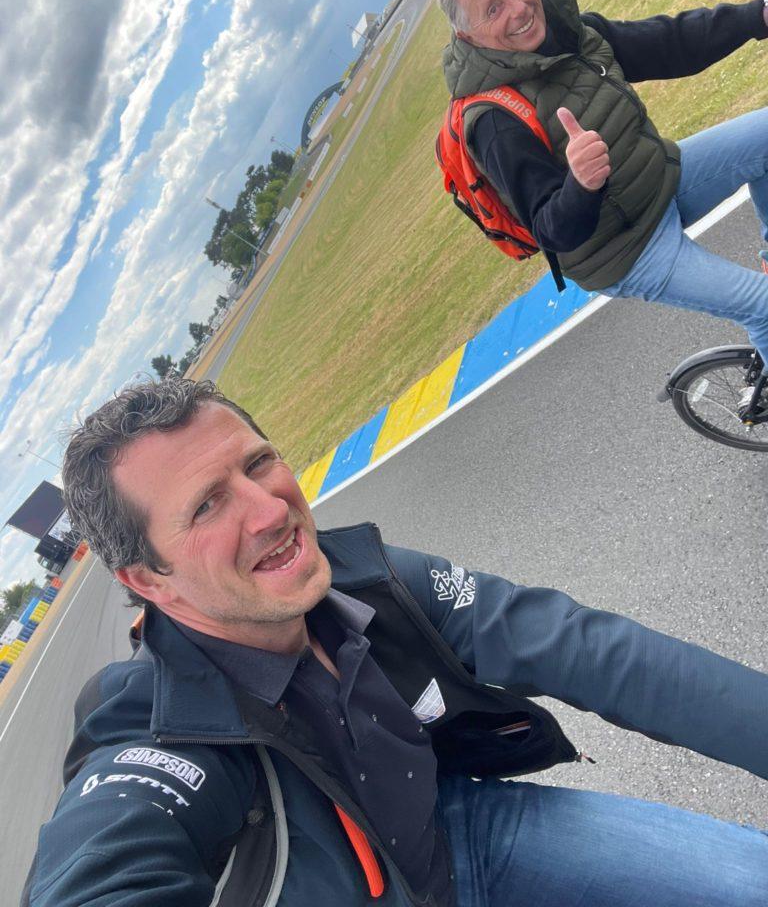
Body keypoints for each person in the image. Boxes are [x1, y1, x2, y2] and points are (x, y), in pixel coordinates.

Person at [23, 378, 768, 906]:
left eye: (257, 463)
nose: (271, 511)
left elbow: (587, 649)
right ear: (149, 579)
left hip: (462, 835)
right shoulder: (155, 730)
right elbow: (102, 869)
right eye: (208, 505)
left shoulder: (369, 581)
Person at [436, 0, 768, 366]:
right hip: (623, 249)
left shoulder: (572, 32)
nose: (519, 9)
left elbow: (668, 44)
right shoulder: (494, 121)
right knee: (763, 306)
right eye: (493, 9)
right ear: (467, 36)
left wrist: (757, 15)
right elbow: (552, 232)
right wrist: (581, 184)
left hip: (659, 179)